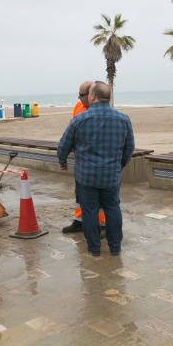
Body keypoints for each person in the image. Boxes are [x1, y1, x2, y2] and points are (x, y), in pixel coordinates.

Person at [57, 81, 134, 257]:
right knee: (113, 208)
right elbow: (129, 148)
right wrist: (118, 165)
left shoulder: (79, 120)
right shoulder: (123, 119)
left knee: (89, 211)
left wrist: (62, 161)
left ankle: (94, 248)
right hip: (111, 176)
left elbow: (64, 145)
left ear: (92, 97)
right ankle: (115, 248)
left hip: (86, 177)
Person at [62, 80, 106, 233]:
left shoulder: (101, 111)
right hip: (81, 159)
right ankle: (79, 220)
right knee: (80, 192)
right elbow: (71, 131)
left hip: (98, 160)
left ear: (92, 95)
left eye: (82, 95)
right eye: (78, 94)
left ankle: (101, 224)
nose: (79, 98)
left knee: (98, 195)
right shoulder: (78, 107)